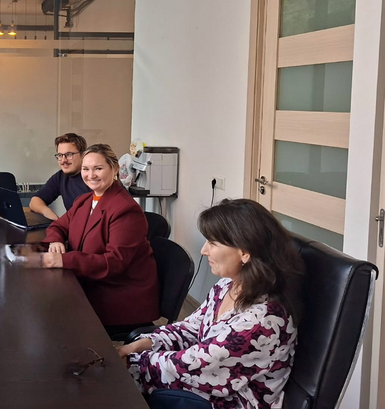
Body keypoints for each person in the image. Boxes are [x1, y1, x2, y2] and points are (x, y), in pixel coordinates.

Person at [118, 199, 304, 409]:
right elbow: (190, 328)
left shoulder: (264, 321)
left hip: (231, 400)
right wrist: (140, 345)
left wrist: (132, 361)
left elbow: (196, 365)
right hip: (207, 380)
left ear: (245, 252)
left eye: (213, 243)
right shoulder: (227, 285)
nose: (204, 250)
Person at [42, 144, 159, 333]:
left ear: (115, 169)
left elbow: (113, 263)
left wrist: (64, 260)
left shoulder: (125, 210)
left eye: (98, 168)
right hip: (90, 283)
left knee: (50, 316)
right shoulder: (84, 201)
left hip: (118, 297)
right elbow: (58, 226)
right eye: (86, 169)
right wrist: (56, 240)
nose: (91, 175)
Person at [29, 133, 90, 220]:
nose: (63, 160)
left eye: (69, 154)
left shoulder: (93, 178)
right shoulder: (60, 177)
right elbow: (35, 201)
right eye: (60, 155)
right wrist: (49, 214)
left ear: (83, 155)